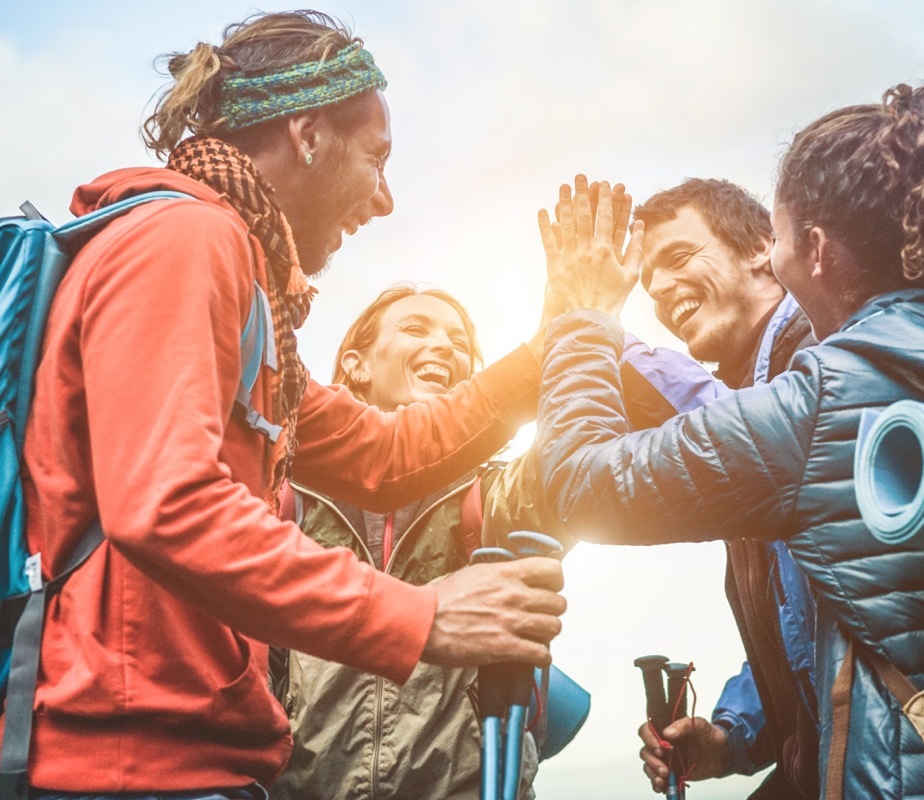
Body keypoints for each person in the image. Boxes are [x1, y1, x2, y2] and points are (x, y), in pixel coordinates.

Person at [535, 78, 924, 799]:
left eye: (777, 241)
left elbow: (578, 484)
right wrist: (740, 733)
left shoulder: (824, 398)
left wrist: (581, 318)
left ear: (811, 249)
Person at [18, 11, 580, 797]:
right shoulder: (187, 239)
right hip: (128, 767)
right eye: (377, 158)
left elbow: (385, 457)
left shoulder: (249, 302)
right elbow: (167, 505)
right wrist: (421, 619)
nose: (385, 200)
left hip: (183, 760)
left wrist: (559, 338)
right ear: (308, 134)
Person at [271, 284, 553, 800]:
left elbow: (571, 464)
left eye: (458, 340)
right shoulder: (286, 496)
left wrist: (566, 332)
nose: (445, 345)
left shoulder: (491, 495)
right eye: (416, 329)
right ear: (356, 366)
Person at [632, 178, 820, 798]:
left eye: (679, 257)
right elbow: (805, 626)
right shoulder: (746, 392)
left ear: (762, 247)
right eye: (647, 280)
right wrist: (728, 736)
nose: (658, 289)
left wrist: (594, 335)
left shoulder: (823, 356)